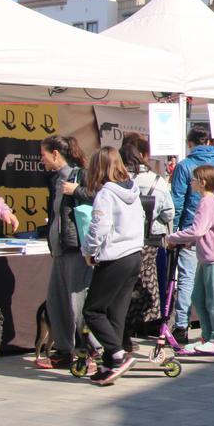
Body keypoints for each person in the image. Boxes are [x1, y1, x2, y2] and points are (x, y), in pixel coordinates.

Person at [80, 147, 146, 385]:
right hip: (134, 254)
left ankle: (117, 354)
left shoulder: (106, 195)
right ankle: (109, 364)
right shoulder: (133, 190)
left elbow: (99, 227)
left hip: (115, 257)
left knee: (93, 310)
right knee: (115, 312)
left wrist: (88, 251)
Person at [170, 126, 214, 345]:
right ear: (209, 141)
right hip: (210, 242)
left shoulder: (185, 167)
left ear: (190, 143)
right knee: (201, 293)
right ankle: (207, 335)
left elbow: (177, 202)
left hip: (200, 241)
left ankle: (190, 329)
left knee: (191, 285)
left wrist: (174, 235)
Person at [38, 135, 96, 369]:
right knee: (56, 302)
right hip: (60, 249)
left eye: (44, 155)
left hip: (77, 249)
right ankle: (64, 351)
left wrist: (77, 191)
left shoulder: (81, 175)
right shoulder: (54, 180)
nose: (42, 160)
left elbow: (101, 198)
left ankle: (90, 351)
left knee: (78, 303)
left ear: (55, 154)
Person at [166, 165, 214, 352]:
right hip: (208, 256)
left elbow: (198, 229)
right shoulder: (209, 201)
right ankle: (207, 337)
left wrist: (172, 237)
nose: (191, 182)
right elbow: (206, 230)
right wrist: (192, 242)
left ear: (202, 182)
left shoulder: (207, 202)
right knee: (197, 296)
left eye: (194, 179)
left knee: (212, 298)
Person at [120, 133, 173, 348]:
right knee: (144, 285)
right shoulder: (157, 181)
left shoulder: (118, 180)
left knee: (122, 286)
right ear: (143, 155)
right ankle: (139, 325)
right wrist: (154, 223)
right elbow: (169, 213)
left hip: (123, 242)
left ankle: (122, 331)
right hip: (149, 242)